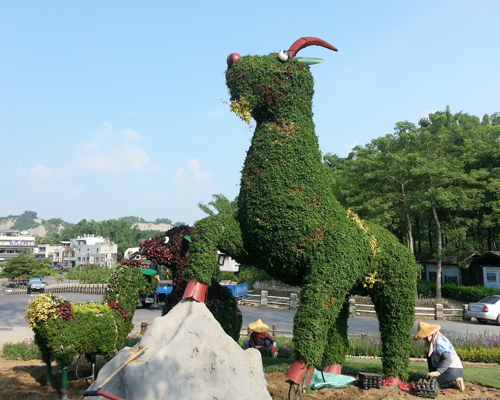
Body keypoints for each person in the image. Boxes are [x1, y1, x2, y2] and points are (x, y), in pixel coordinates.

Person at [413, 322, 465, 391]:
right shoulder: (436, 339)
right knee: (428, 355)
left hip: (452, 370)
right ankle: (447, 380)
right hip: (451, 370)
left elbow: (447, 359)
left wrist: (438, 372)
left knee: (431, 385)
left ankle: (454, 382)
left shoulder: (439, 342)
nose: (424, 339)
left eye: (425, 337)